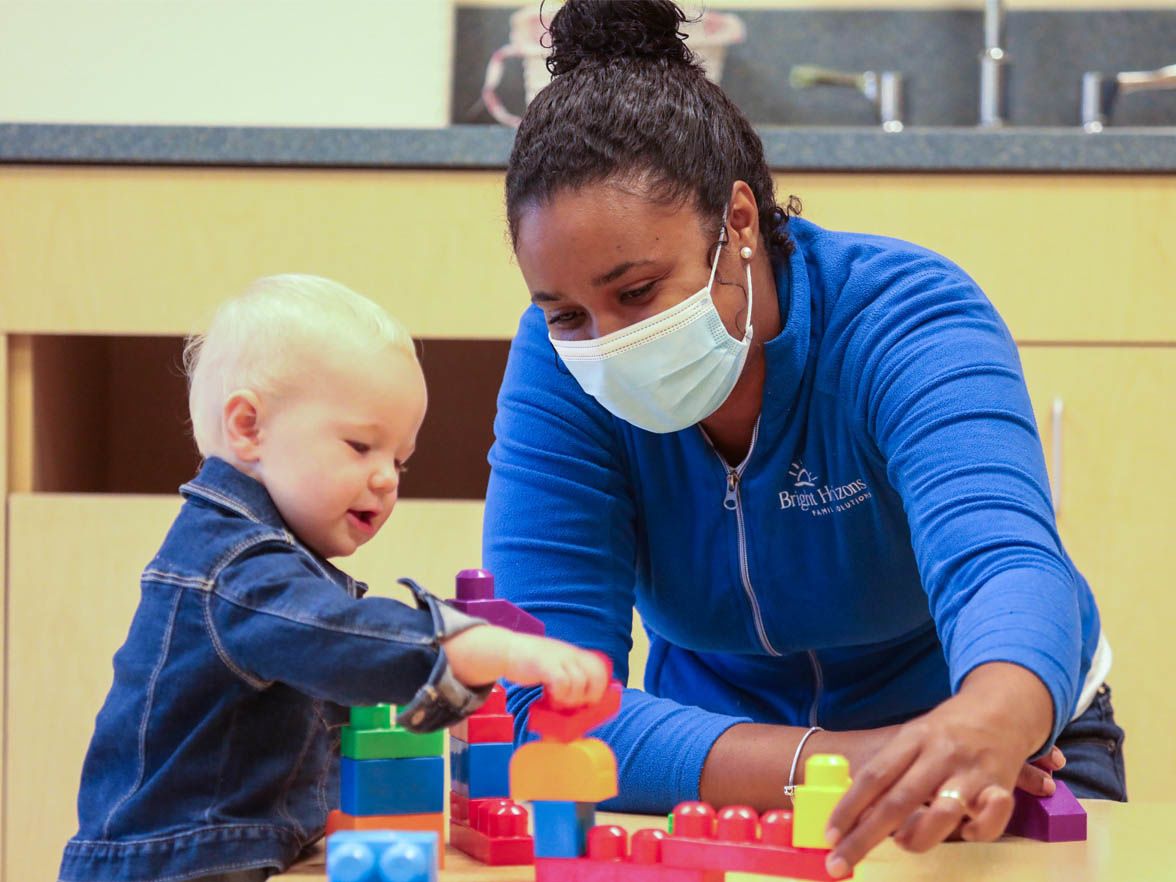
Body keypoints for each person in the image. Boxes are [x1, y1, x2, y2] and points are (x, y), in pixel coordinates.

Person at [482, 1, 1125, 878]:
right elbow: (545, 695)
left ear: (738, 222)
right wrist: (850, 762)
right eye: (564, 313)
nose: (603, 341)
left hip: (987, 763)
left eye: (636, 292)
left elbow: (1006, 565)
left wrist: (988, 721)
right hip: (718, 775)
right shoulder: (558, 367)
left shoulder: (905, 318)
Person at [58, 274, 610, 882]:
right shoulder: (234, 568)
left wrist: (444, 704)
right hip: (173, 865)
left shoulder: (266, 559)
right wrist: (478, 647)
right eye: (359, 446)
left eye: (399, 460)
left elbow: (345, 677)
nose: (386, 480)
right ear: (248, 428)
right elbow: (338, 637)